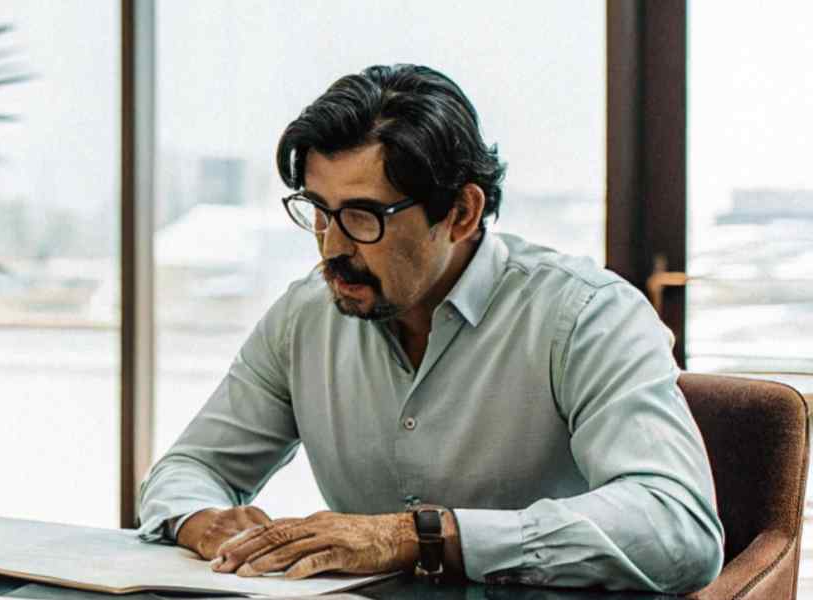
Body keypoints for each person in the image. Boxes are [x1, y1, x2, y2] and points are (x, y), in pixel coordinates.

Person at [136, 64, 722, 593]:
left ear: (462, 213)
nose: (332, 247)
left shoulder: (586, 315)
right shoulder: (304, 316)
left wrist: (422, 537)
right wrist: (204, 520)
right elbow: (191, 469)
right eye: (318, 210)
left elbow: (677, 525)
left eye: (363, 216)